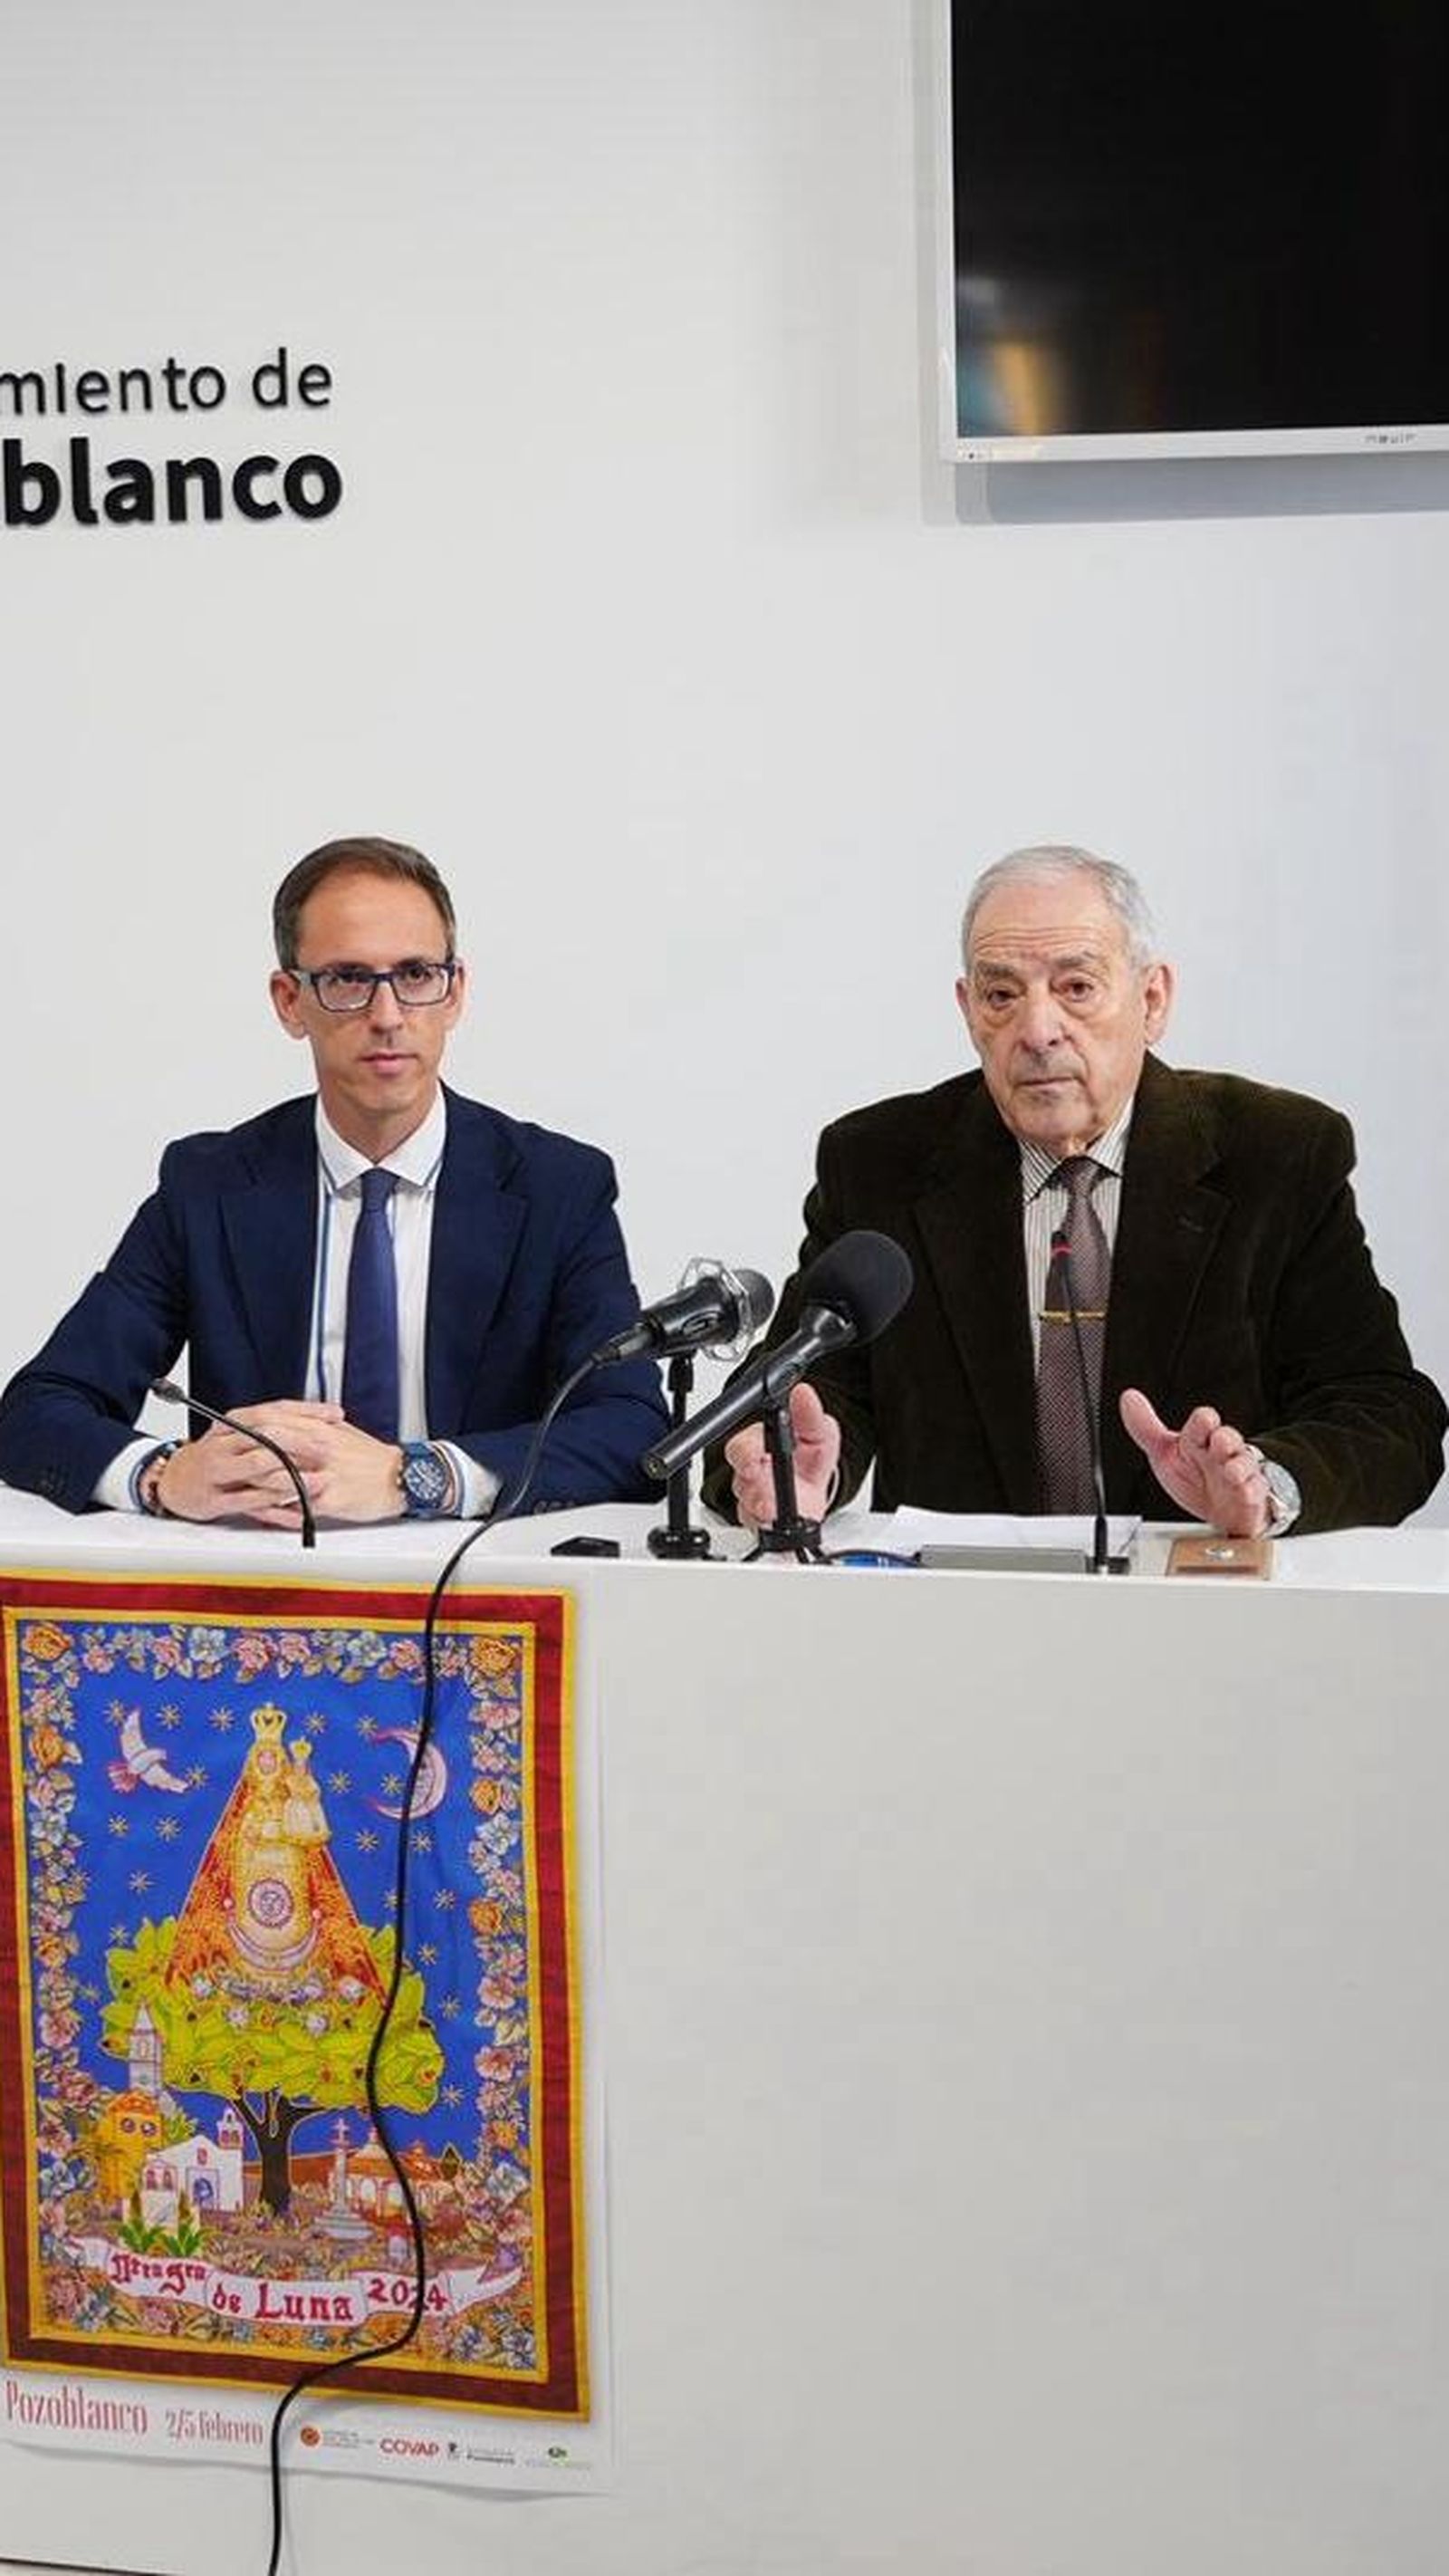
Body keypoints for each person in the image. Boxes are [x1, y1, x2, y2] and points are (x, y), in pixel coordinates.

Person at [710, 845, 1445, 1540]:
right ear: (968, 1011)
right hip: (963, 1610)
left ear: (1152, 1000)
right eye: (1002, 994)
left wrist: (1267, 1483)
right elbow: (792, 1397)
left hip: (1205, 1605)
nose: (1038, 1030)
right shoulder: (879, 1163)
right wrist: (791, 1469)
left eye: (1077, 988)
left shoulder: (1277, 1156)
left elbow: (1388, 1413)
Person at [0, 837, 667, 1525]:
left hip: (474, 1573)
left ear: (455, 993)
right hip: (262, 1568)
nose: (388, 1016)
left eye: (416, 975)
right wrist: (162, 1476)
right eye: (348, 979)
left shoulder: (558, 1190)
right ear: (290, 1001)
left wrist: (418, 1477)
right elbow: (38, 1408)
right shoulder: (208, 1188)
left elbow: (633, 1427)